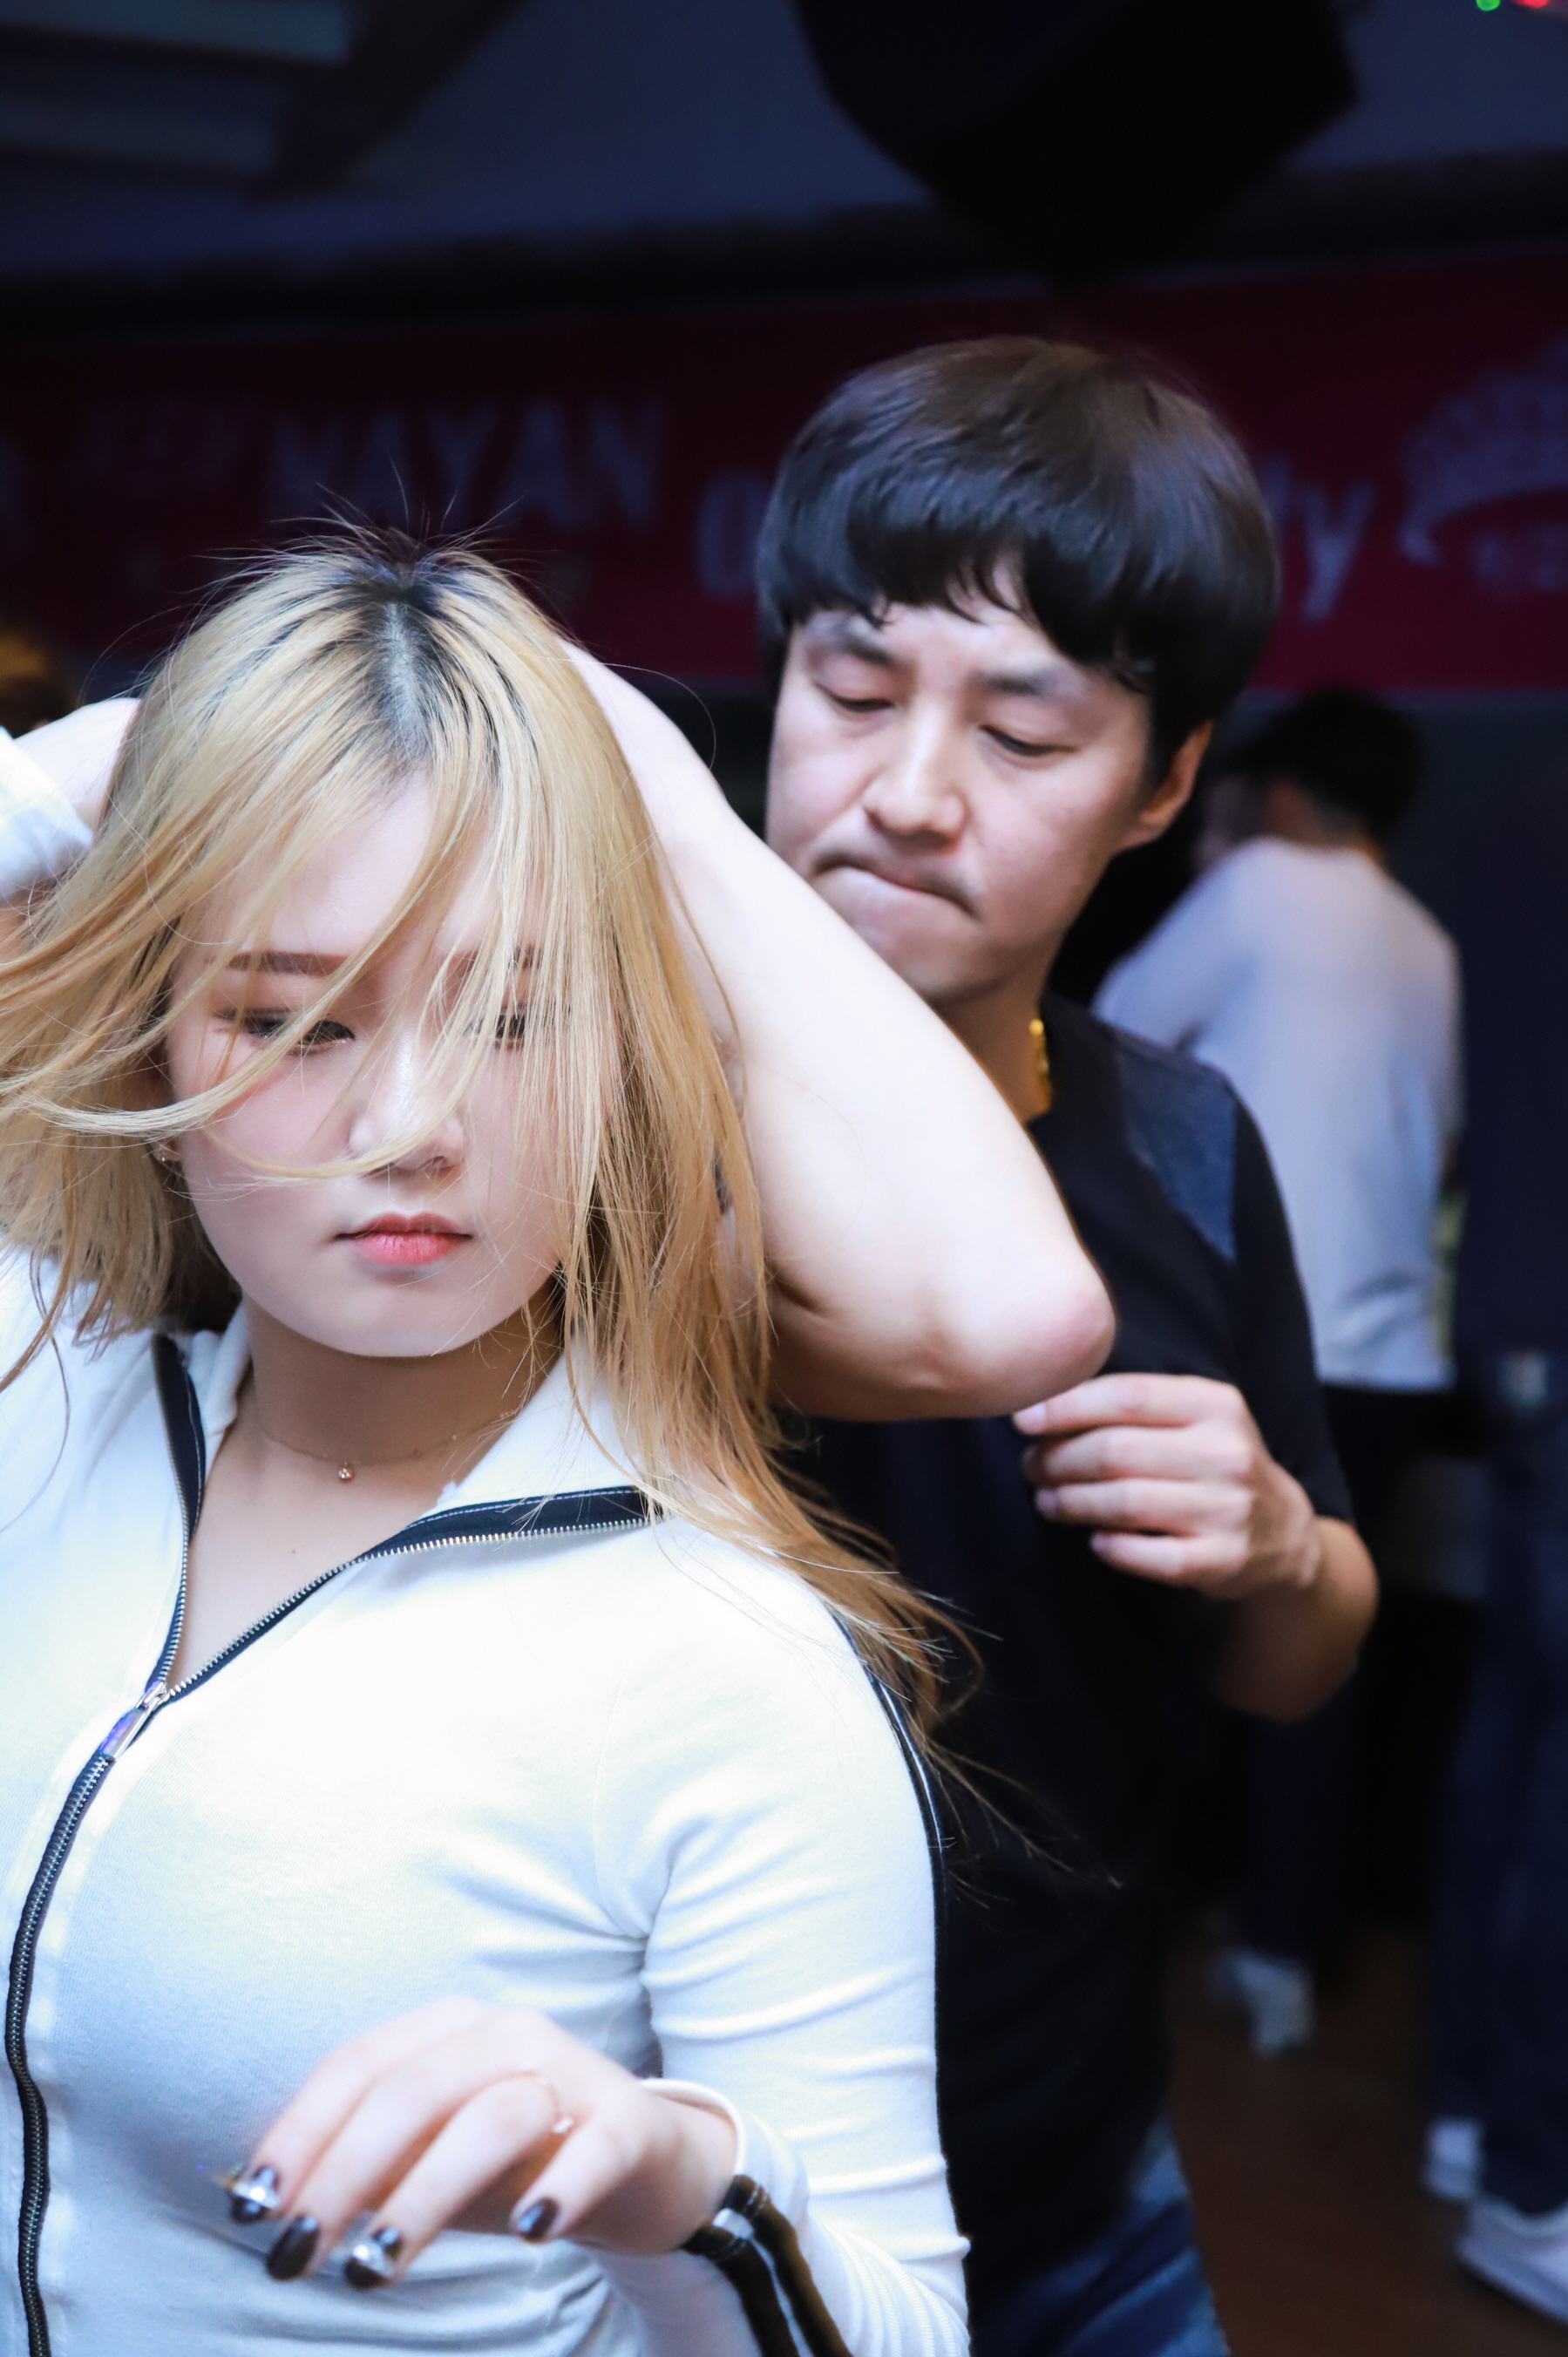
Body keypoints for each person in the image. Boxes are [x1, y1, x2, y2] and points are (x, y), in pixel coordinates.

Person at [0, 535, 1113, 2357]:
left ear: (621, 1054)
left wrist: (684, 2180)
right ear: (154, 1037)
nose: (412, 1122)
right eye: (289, 1015)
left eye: (516, 1014)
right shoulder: (37, 1398)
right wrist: (116, 765)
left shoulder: (717, 1656)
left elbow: (903, 2323)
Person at [758, 336, 1378, 2357]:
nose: (905, 792)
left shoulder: (1184, 1141)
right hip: (658, 2226)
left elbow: (1300, 1661)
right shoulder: (569, 1104)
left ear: (1168, 781)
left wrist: (1280, 1541)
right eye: (853, 689)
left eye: (1024, 731)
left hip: (1074, 2202)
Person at [1097, 690, 1461, 2051]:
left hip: (1258, 1339)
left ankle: (1156, 1911)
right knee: (1322, 1647)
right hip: (1397, 1356)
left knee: (1164, 1633)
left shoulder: (1256, 885)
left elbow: (1099, 1035)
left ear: (1285, 796)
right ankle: (1283, 1950)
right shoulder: (1429, 943)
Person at [1425, 762, 1568, 2325]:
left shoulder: (1518, 816)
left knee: (1519, 1731)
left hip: (1515, 1314)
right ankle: (1536, 2181)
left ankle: (1475, 2114)